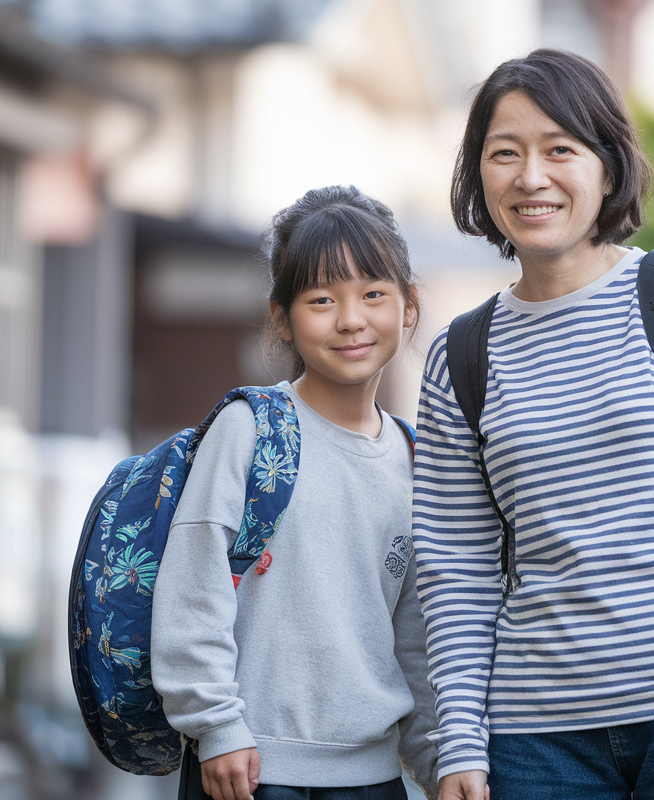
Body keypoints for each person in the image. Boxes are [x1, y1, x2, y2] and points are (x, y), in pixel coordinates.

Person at [411, 49, 654, 799]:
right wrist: (459, 741)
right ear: (478, 174)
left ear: (607, 166)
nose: (532, 177)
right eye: (505, 153)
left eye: (561, 148)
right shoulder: (461, 354)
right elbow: (455, 569)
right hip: (534, 744)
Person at [151, 185, 439, 800]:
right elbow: (193, 587)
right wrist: (218, 727)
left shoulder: (416, 459)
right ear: (282, 316)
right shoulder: (251, 429)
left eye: (373, 294)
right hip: (250, 771)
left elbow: (415, 639)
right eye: (321, 299)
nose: (351, 319)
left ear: (408, 307)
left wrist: (442, 765)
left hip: (374, 781)